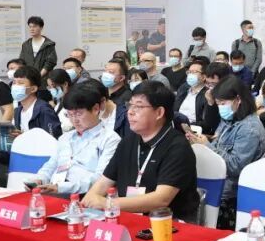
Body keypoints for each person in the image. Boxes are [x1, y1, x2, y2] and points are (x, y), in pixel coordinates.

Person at [83, 82, 199, 221]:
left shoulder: (177, 147)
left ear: (159, 113)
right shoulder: (128, 142)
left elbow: (161, 199)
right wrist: (90, 199)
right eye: (130, 105)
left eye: (138, 107)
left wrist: (108, 203)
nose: (130, 112)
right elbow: (103, 183)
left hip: (167, 223)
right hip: (129, 218)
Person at [188, 76, 265, 227]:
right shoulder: (229, 120)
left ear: (238, 100)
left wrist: (207, 146)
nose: (220, 108)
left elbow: (234, 166)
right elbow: (218, 145)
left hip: (236, 193)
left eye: (223, 103)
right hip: (220, 183)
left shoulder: (249, 128)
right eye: (218, 104)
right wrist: (201, 142)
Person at [33, 83, 121, 198]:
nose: (74, 120)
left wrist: (61, 188)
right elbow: (50, 166)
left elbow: (101, 179)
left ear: (96, 109)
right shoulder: (65, 138)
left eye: (79, 114)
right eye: (69, 115)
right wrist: (39, 180)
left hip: (85, 196)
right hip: (53, 191)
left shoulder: (110, 139)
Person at [11, 66, 62, 138]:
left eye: (20, 83)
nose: (15, 86)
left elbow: (53, 138)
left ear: (33, 89)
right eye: (14, 82)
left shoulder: (44, 110)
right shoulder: (18, 111)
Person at [174, 58, 209, 127]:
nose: (190, 75)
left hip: (194, 128)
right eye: (189, 72)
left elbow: (206, 122)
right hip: (177, 125)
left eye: (194, 72)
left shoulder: (207, 94)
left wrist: (187, 126)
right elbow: (175, 109)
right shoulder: (183, 89)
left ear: (204, 77)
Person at [46, 68, 73, 132]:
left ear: (65, 84)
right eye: (49, 87)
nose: (52, 89)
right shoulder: (60, 101)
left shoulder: (74, 101)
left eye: (54, 86)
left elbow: (69, 126)